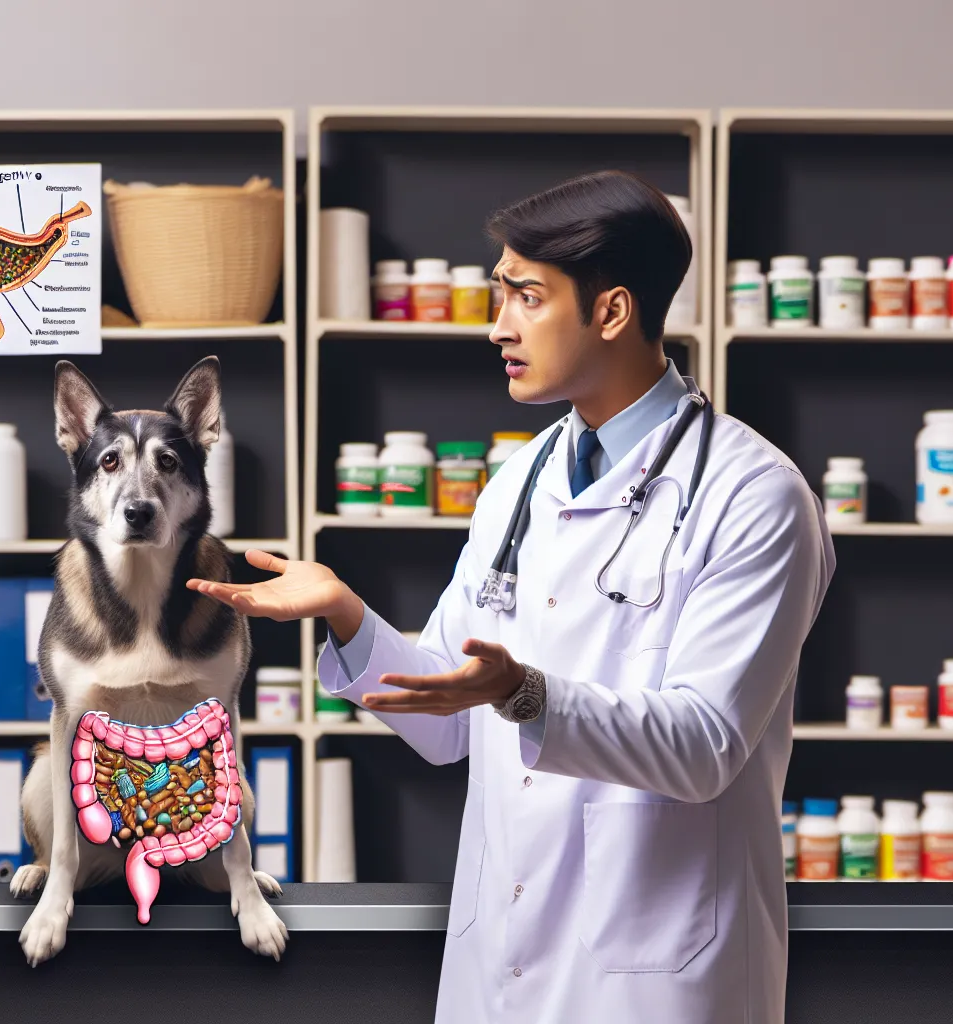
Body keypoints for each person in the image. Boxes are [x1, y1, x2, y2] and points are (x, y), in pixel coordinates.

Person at [191, 171, 833, 1022]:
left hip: (655, 978)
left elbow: (705, 745)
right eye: (502, 294)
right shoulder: (517, 481)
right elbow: (448, 723)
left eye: (527, 297)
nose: (499, 326)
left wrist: (523, 692)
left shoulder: (752, 494)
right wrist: (345, 612)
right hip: (502, 968)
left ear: (610, 311)